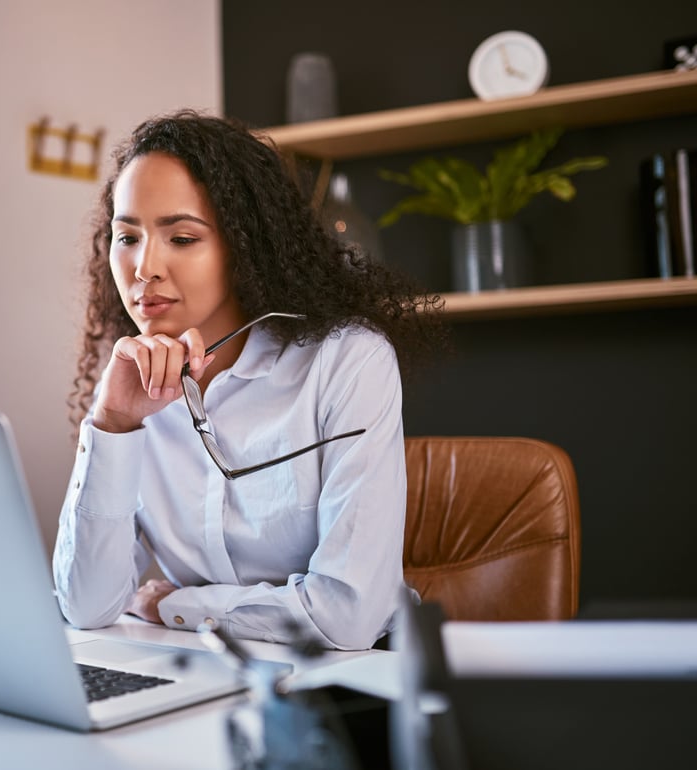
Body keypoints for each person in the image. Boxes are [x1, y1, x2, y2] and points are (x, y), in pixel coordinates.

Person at [52, 110, 443, 650]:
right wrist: (113, 424)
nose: (144, 268)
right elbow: (85, 606)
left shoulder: (347, 362)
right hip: (201, 677)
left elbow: (347, 617)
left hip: (347, 685)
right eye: (126, 237)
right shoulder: (131, 385)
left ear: (245, 244)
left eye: (182, 237)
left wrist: (175, 605)